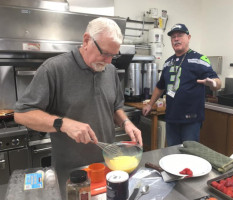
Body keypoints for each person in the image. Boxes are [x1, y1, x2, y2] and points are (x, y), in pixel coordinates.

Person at [14, 17, 142, 171]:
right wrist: (63, 124)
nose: (109, 61)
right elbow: (22, 114)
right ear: (87, 40)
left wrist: (125, 122)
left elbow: (115, 108)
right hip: (70, 171)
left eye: (113, 56)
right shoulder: (53, 69)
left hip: (107, 165)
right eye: (105, 54)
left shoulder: (110, 71)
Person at [142, 23, 221, 146]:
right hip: (171, 118)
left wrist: (212, 84)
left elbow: (217, 82)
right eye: (173, 37)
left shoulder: (200, 59)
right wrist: (150, 104)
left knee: (189, 154)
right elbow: (160, 86)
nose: (176, 39)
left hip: (191, 119)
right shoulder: (168, 62)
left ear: (188, 37)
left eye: (180, 35)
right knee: (172, 154)